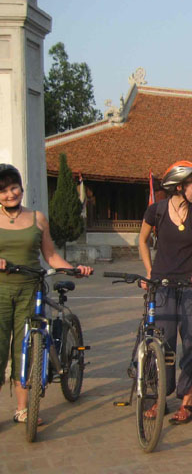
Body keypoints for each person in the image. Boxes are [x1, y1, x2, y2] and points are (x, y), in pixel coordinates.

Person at [0, 164, 93, 424]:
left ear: (21, 187)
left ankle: (23, 409)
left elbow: (50, 255)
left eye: (13, 187)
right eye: (4, 190)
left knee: (24, 348)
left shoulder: (37, 218)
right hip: (0, 291)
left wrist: (74, 269)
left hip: (30, 289)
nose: (10, 194)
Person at [138, 160, 192, 424]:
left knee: (191, 342)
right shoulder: (155, 211)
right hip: (163, 287)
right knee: (165, 344)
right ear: (179, 187)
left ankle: (187, 402)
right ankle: (161, 398)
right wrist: (149, 272)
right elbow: (142, 240)